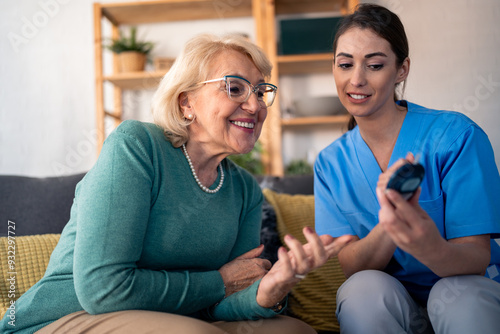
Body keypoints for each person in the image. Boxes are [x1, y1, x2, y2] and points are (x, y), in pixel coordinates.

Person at [0, 34, 353, 334]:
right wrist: (219, 280)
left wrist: (268, 291)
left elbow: (222, 303)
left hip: (175, 319)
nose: (255, 105)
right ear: (187, 103)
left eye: (261, 92)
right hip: (67, 317)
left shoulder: (244, 189)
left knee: (294, 331)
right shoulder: (138, 146)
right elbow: (102, 290)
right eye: (235, 88)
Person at [314, 4, 500, 334]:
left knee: (455, 294)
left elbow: (476, 257)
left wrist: (429, 246)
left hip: (467, 291)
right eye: (345, 64)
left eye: (374, 65)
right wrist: (390, 225)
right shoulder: (330, 164)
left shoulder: (456, 136)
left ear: (401, 70)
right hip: (396, 305)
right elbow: (351, 265)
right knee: (362, 290)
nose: (356, 79)